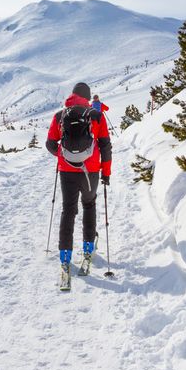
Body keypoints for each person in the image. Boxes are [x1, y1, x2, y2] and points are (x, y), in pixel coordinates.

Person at [46, 82, 112, 277]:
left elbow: (50, 143)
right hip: (90, 171)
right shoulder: (96, 116)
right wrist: (106, 173)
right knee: (89, 205)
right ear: (88, 97)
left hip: (67, 171)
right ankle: (88, 247)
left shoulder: (60, 116)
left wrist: (63, 155)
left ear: (72, 95)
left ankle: (65, 256)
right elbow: (106, 146)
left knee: (68, 210)